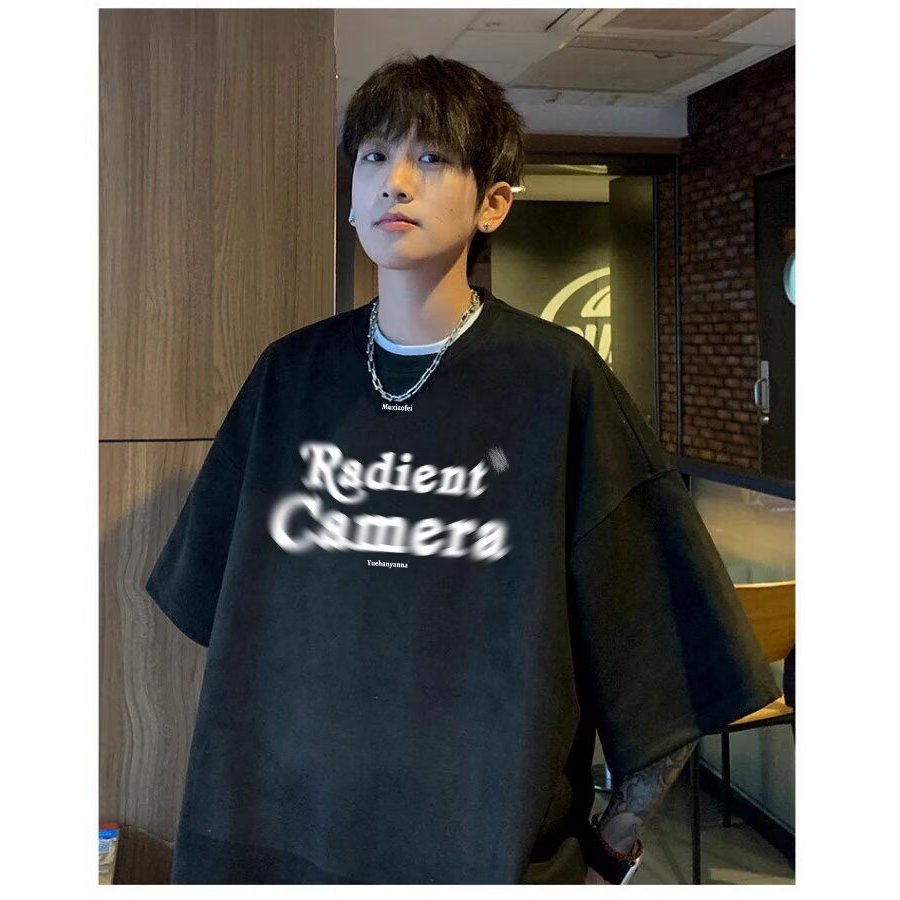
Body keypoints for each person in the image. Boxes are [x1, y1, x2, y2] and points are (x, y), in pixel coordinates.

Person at [145, 52, 780, 885]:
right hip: (271, 843)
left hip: (479, 853)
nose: (395, 181)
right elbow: (220, 611)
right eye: (374, 155)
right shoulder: (288, 377)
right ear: (350, 193)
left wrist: (611, 847)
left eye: (432, 157)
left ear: (493, 204)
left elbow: (670, 657)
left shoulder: (556, 381)